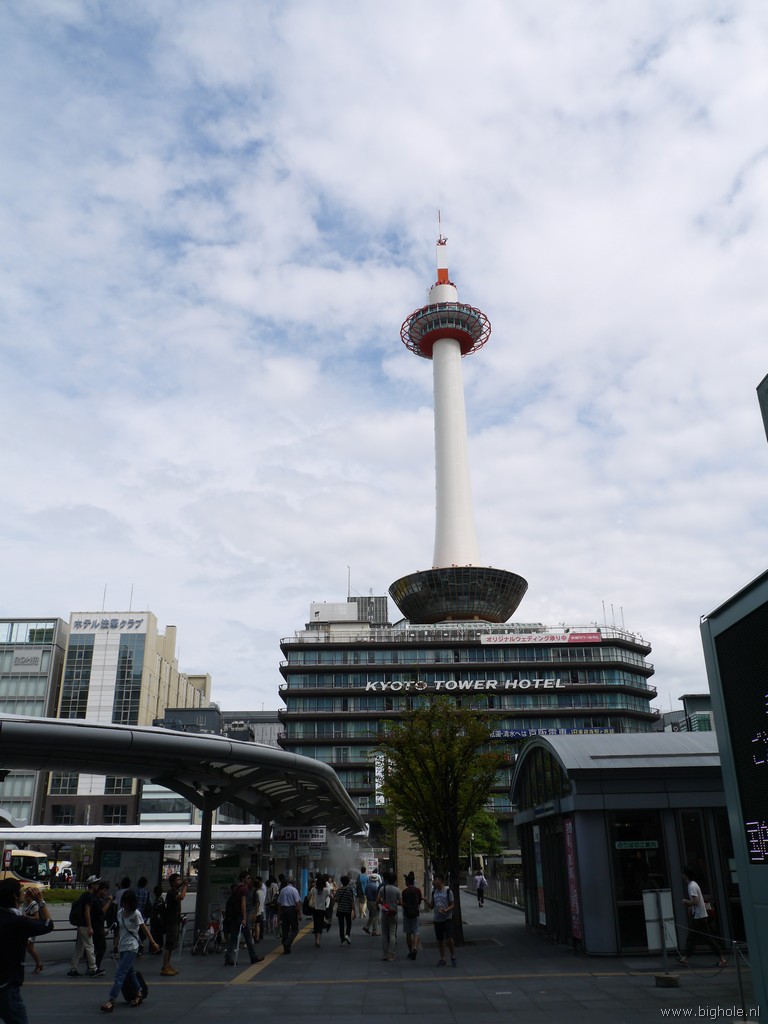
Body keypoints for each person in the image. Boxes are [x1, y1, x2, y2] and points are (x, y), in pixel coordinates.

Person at [0, 879, 53, 1024]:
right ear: (15, 896)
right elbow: (48, 925)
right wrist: (41, 901)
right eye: (21, 890)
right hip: (7, 985)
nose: (23, 892)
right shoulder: (18, 922)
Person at [100, 889, 159, 1013]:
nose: (125, 905)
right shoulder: (120, 912)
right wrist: (115, 942)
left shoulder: (136, 914)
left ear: (132, 903)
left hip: (132, 947)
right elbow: (119, 928)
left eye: (127, 903)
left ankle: (111, 1000)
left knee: (120, 973)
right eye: (124, 902)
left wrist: (153, 942)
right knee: (129, 972)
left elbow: (144, 928)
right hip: (122, 946)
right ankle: (139, 992)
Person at [679, 866, 726, 968]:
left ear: (686, 875)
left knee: (705, 939)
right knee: (693, 937)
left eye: (683, 873)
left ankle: (721, 959)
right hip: (700, 915)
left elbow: (695, 901)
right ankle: (685, 958)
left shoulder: (691, 886)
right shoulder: (694, 884)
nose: (682, 875)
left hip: (699, 917)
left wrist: (686, 902)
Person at [68, 875, 106, 977]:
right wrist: (90, 927)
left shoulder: (84, 895)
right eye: (96, 883)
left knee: (79, 948)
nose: (98, 885)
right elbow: (87, 911)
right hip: (84, 925)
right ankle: (93, 969)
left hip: (81, 925)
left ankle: (72, 969)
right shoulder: (89, 896)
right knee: (90, 947)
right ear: (92, 885)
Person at [223, 871, 264, 966]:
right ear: (243, 879)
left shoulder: (236, 888)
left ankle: (228, 957)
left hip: (234, 916)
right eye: (248, 878)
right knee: (248, 938)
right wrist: (245, 918)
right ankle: (253, 957)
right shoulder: (244, 889)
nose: (249, 880)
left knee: (233, 938)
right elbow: (243, 904)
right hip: (241, 917)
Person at [160, 873, 188, 976]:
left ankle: (167, 964)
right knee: (168, 945)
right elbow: (182, 897)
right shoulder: (171, 893)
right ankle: (164, 967)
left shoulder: (174, 892)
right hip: (171, 922)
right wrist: (185, 886)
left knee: (172, 945)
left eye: (180, 879)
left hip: (175, 921)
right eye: (177, 880)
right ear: (172, 882)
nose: (179, 881)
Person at [426, 874, 456, 967]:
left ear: (441, 881)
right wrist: (425, 901)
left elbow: (453, 904)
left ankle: (453, 956)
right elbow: (431, 906)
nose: (434, 882)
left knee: (449, 938)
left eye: (436, 880)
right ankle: (442, 958)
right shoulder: (434, 892)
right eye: (434, 880)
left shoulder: (448, 891)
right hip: (437, 919)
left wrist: (446, 910)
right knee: (440, 940)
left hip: (447, 918)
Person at [376, 871, 402, 962]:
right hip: (393, 913)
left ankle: (385, 954)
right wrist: (394, 903)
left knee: (384, 934)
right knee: (392, 934)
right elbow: (401, 903)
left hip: (384, 913)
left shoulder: (382, 889)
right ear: (394, 880)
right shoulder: (397, 890)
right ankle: (391, 955)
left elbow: (377, 901)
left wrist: (384, 903)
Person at [401, 871, 423, 960]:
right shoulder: (418, 890)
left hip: (406, 913)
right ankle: (415, 948)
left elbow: (403, 903)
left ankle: (410, 951)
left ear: (407, 882)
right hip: (415, 913)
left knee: (408, 933)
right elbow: (419, 901)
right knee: (416, 932)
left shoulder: (404, 892)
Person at [91, 882, 113, 969]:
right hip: (96, 927)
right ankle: (95, 966)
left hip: (98, 926)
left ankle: (94, 966)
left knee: (97, 948)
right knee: (101, 947)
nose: (105, 893)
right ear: (99, 890)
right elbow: (102, 912)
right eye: (104, 890)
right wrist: (109, 902)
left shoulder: (97, 899)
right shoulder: (96, 900)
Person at [277, 877, 302, 954]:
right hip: (292, 911)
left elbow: (279, 904)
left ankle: (286, 949)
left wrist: (278, 915)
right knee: (295, 929)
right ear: (294, 883)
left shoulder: (282, 890)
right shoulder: (294, 890)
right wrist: (299, 914)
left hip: (283, 911)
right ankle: (288, 942)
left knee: (285, 929)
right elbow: (297, 903)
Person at [22, 888, 44, 974]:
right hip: (26, 928)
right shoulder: (25, 903)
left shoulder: (33, 904)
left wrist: (26, 917)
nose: (25, 895)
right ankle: (39, 964)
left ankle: (21, 965)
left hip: (31, 929)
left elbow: (37, 918)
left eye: (26, 894)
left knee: (26, 947)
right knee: (30, 949)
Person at [308, 873, 333, 948]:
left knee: (315, 924)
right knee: (320, 924)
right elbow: (331, 897)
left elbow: (308, 898)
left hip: (314, 909)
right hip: (322, 910)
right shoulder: (325, 890)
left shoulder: (313, 889)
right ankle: (318, 940)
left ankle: (316, 940)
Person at [335, 875, 356, 945]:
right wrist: (354, 911)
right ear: (348, 882)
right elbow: (352, 901)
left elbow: (336, 899)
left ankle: (342, 939)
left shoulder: (339, 890)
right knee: (348, 923)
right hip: (347, 910)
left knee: (341, 925)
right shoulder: (349, 890)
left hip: (340, 910)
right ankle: (347, 935)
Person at [362, 872, 381, 936]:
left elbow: (365, 893)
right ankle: (375, 931)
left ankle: (366, 926)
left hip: (368, 902)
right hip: (373, 902)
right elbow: (377, 895)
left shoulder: (367, 886)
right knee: (375, 916)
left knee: (371, 915)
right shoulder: (375, 886)